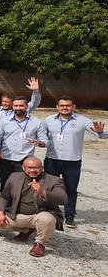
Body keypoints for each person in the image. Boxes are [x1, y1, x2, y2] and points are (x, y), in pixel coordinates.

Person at [39, 96, 106, 228]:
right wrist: (39, 143)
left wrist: (101, 132)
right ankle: (49, 211)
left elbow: (100, 135)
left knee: (71, 188)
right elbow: (42, 137)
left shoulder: (82, 121)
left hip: (72, 161)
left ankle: (69, 215)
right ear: (57, 107)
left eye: (68, 105)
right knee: (49, 187)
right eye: (62, 105)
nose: (65, 107)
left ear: (74, 107)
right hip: (52, 159)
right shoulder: (48, 120)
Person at [0, 157, 67, 257]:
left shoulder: (54, 180)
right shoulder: (14, 177)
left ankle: (40, 243)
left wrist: (43, 192)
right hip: (19, 215)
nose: (32, 170)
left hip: (39, 215)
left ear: (42, 168)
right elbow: (4, 197)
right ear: (23, 168)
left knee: (46, 220)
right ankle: (26, 230)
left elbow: (63, 199)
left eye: (36, 168)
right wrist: (0, 212)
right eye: (29, 167)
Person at [0, 96, 48, 190]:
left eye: (21, 105)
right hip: (6, 158)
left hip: (24, 160)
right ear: (12, 106)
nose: (18, 108)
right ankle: (5, 204)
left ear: (27, 106)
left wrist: (39, 143)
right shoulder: (5, 121)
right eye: (16, 106)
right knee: (5, 185)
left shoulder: (36, 122)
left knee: (22, 187)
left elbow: (45, 141)